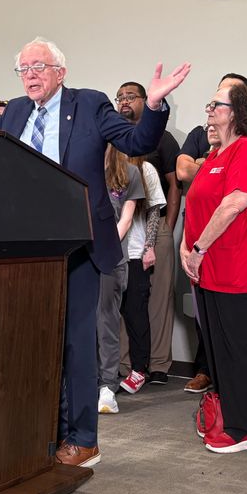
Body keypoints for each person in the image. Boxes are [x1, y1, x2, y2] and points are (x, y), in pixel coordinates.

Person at [0, 36, 190, 467]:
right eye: (23, 69)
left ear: (60, 72)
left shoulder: (91, 104)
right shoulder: (18, 111)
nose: (31, 75)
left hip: (77, 243)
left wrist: (153, 107)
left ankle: (83, 438)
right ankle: (44, 431)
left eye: (39, 66)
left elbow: (135, 143)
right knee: (35, 343)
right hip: (25, 247)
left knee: (77, 344)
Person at [180, 82, 247, 453]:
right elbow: (196, 205)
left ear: (237, 111)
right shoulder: (216, 153)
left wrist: (197, 247)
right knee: (218, 349)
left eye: (216, 105)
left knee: (236, 349)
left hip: (240, 267)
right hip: (207, 267)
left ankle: (244, 431)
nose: (209, 110)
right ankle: (228, 416)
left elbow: (235, 203)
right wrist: (186, 247)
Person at [116, 81, 180, 386]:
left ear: (144, 100)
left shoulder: (160, 138)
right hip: (122, 237)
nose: (124, 100)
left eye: (131, 96)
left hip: (153, 229)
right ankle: (126, 365)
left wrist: (166, 229)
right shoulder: (112, 138)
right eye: (120, 97)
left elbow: (173, 186)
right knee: (127, 305)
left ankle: (156, 366)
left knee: (154, 304)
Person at [97, 146, 145, 414]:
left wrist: (103, 249)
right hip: (82, 257)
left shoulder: (129, 172)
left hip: (111, 258)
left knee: (106, 321)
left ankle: (107, 385)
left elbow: (126, 220)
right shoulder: (83, 167)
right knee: (81, 323)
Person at [119, 154, 166, 394]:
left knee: (135, 312)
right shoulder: (102, 163)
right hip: (107, 253)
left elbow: (154, 210)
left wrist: (149, 246)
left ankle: (139, 369)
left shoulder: (144, 168)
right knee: (105, 315)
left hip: (135, 252)